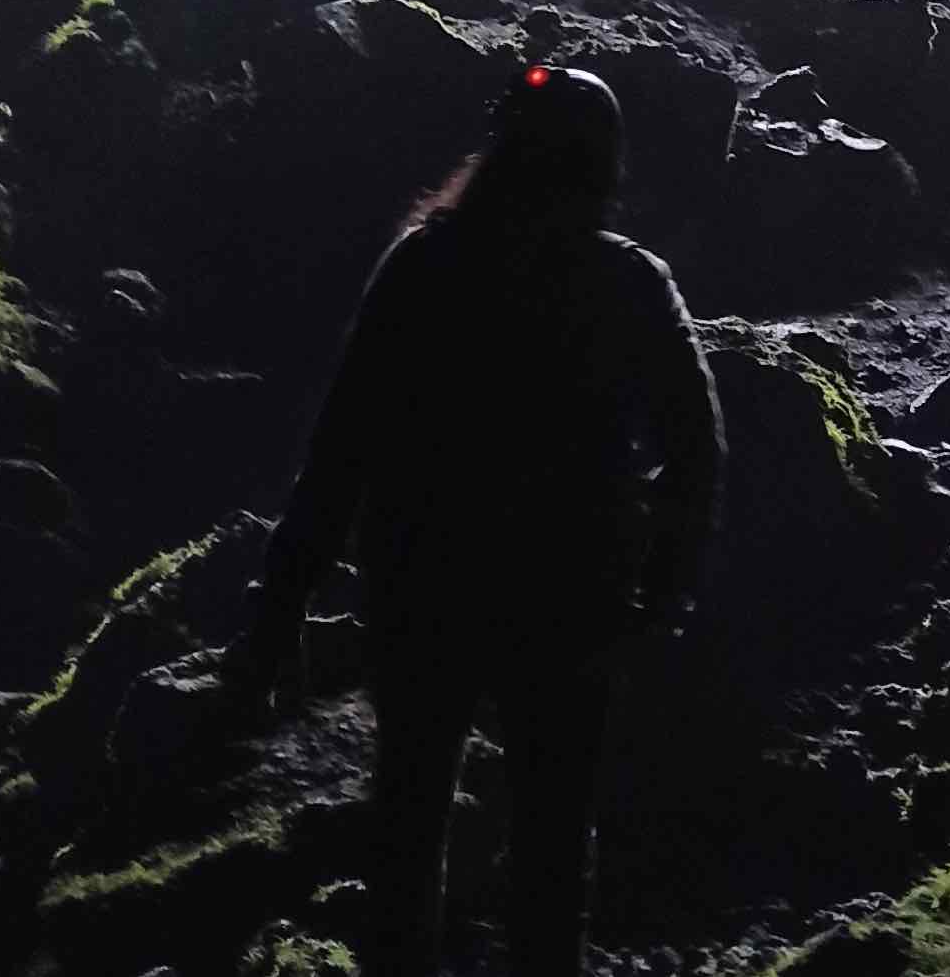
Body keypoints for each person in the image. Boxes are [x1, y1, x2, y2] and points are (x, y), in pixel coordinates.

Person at [244, 64, 721, 977]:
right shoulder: (627, 281)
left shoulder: (425, 264)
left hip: (427, 587)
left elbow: (342, 445)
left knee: (408, 826)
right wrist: (661, 587)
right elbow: (694, 450)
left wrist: (282, 601)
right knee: (550, 838)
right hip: (571, 599)